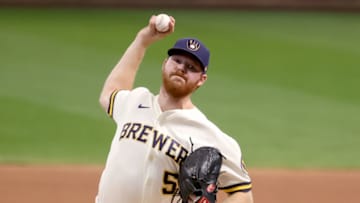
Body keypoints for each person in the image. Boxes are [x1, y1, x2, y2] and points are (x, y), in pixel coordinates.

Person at [96, 15, 253, 203]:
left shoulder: (210, 136)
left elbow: (243, 193)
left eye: (191, 67)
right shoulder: (135, 101)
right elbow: (110, 92)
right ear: (165, 64)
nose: (181, 68)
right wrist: (142, 40)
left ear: (201, 80)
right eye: (177, 60)